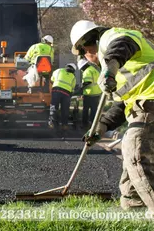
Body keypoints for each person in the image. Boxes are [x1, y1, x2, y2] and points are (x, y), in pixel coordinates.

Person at [70, 20, 154, 213]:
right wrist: (100, 127)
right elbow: (122, 104)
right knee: (133, 158)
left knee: (136, 153)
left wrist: (110, 67)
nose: (88, 59)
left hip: (150, 102)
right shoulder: (120, 68)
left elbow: (123, 42)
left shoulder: (110, 37)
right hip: (143, 104)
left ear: (87, 45)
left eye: (83, 53)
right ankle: (135, 206)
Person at [48, 63, 77, 130]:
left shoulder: (58, 70)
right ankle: (64, 125)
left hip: (56, 90)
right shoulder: (73, 77)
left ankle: (52, 123)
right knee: (65, 110)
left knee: (54, 107)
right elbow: (72, 88)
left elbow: (52, 80)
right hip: (66, 93)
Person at [77, 57, 102, 130]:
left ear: (83, 66)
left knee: (86, 110)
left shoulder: (87, 71)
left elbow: (88, 82)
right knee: (94, 110)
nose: (82, 70)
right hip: (97, 92)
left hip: (89, 93)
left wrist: (80, 88)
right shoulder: (94, 69)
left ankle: (84, 124)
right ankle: (93, 124)